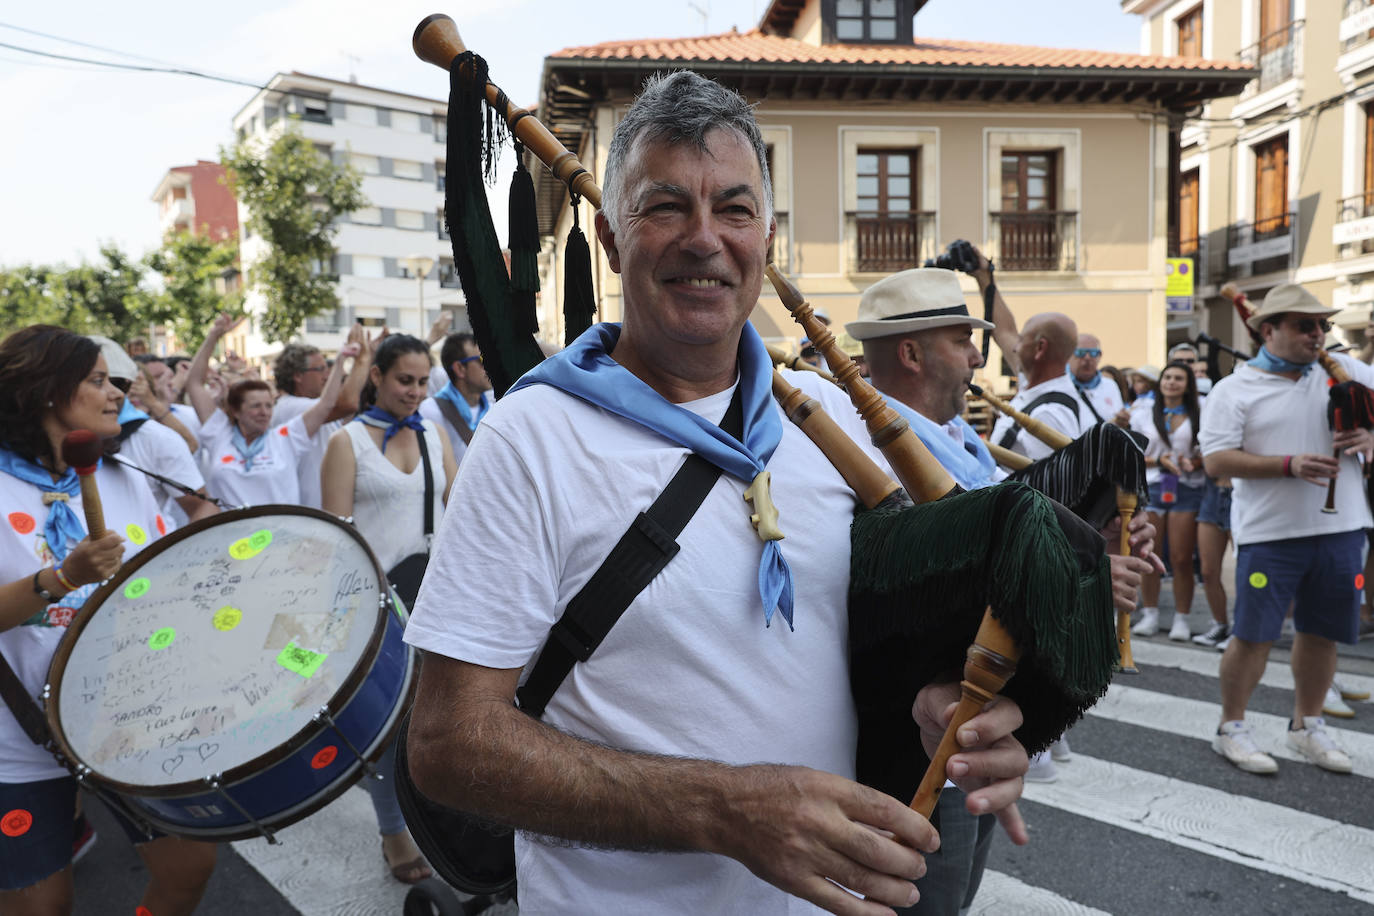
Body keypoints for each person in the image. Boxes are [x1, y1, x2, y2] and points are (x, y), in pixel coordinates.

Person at [404, 71, 1029, 915]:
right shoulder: (529, 438)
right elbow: (448, 742)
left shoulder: (837, 423)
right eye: (666, 207)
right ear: (611, 237)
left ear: (765, 239)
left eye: (733, 210)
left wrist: (949, 714)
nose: (705, 238)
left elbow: (899, 652)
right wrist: (724, 809)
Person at [854, 267, 1156, 914]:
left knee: (954, 894)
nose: (976, 357)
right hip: (919, 737)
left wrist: (1092, 554)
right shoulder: (871, 455)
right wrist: (1080, 583)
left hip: (976, 723)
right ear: (911, 352)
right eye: (964, 339)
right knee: (927, 900)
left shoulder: (961, 442)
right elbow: (931, 604)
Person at [0, 325, 217, 915]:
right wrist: (60, 579)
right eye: (98, 380)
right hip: (18, 745)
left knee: (190, 866)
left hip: (129, 721)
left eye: (116, 381)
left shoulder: (125, 477)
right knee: (43, 907)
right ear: (47, 392)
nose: (118, 392)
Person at [1199, 283, 1374, 775]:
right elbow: (1215, 461)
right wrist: (1289, 464)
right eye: (1305, 325)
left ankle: (1307, 725)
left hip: (1344, 529)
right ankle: (1231, 727)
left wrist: (1371, 436)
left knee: (1322, 634)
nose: (1317, 333)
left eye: (1322, 325)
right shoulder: (1235, 388)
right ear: (1268, 329)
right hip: (1269, 534)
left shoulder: (1349, 371)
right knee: (1254, 636)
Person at [322, 334, 456, 886]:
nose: (416, 392)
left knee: (450, 716)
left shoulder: (434, 431)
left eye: (424, 382)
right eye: (405, 380)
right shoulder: (345, 442)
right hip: (375, 604)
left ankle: (447, 821)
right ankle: (393, 831)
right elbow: (337, 536)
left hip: (440, 596)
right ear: (375, 376)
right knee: (387, 726)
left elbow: (463, 508)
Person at [187, 315, 359, 508]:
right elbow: (194, 384)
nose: (264, 412)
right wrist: (213, 336)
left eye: (269, 406)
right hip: (234, 535)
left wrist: (340, 361)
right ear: (235, 411)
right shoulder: (219, 434)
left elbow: (326, 404)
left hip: (281, 534)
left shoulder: (285, 438)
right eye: (255, 406)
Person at [88, 337, 217, 531]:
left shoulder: (155, 436)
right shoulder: (46, 448)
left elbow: (203, 506)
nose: (114, 393)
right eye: (98, 382)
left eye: (120, 384)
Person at [1131, 361, 1205, 641]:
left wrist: (1193, 462)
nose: (1172, 382)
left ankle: (1182, 619)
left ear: (1188, 385)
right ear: (1160, 382)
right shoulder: (1143, 413)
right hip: (1152, 485)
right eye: (1168, 377)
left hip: (1186, 487)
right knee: (1150, 555)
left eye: (1178, 378)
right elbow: (1133, 452)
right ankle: (1150, 614)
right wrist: (1158, 460)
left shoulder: (1199, 411)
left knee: (1181, 558)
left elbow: (1207, 451)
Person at [270, 332, 369, 508]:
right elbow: (348, 404)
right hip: (307, 515)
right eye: (320, 369)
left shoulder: (313, 406)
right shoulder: (289, 408)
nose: (327, 375)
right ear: (297, 376)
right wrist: (362, 361)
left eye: (326, 368)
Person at [987, 311, 1085, 460]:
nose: (1015, 348)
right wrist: (987, 287)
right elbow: (1004, 331)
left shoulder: (1049, 414)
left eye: (1020, 340)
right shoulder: (1036, 387)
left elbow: (1055, 481)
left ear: (1040, 348)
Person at [418, 332, 492, 466]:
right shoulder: (430, 411)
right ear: (460, 369)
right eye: (481, 360)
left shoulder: (494, 410)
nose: (490, 366)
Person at [1068, 333, 1124, 424]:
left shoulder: (1110, 385)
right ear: (1068, 355)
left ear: (1100, 356)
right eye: (1080, 353)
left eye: (1093, 353)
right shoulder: (1060, 386)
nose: (1087, 358)